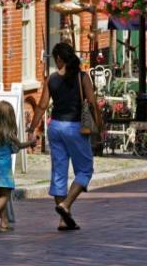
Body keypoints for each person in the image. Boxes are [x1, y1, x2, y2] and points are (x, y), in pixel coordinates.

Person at [29, 42, 100, 231]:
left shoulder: (51, 79)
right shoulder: (82, 77)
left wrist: (32, 128)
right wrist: (99, 126)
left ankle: (64, 220)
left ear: (59, 59)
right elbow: (92, 103)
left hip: (55, 128)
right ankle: (66, 204)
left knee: (59, 173)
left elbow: (42, 106)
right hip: (75, 128)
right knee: (85, 170)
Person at [0, 101, 36, 233]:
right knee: (6, 195)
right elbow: (20, 145)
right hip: (5, 167)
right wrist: (31, 142)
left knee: (1, 194)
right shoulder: (8, 133)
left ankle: (4, 223)